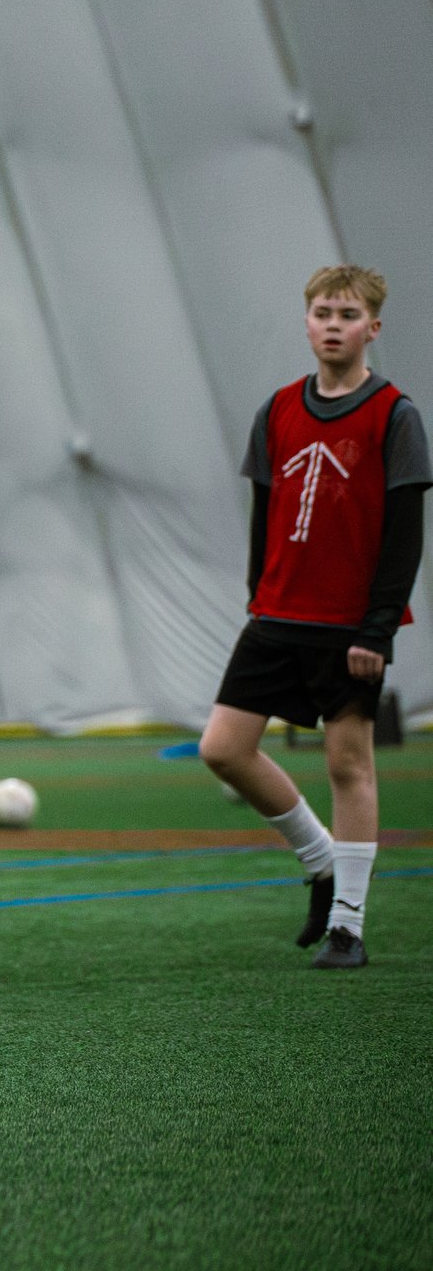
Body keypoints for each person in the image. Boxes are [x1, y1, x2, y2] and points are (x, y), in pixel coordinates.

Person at [200, 265, 422, 969]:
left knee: (348, 764)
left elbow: (404, 536)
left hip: (349, 627)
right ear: (306, 322)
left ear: (372, 328)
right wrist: (256, 593)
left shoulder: (395, 415)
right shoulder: (276, 411)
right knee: (223, 748)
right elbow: (264, 514)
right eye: (323, 312)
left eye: (348, 315)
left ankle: (348, 927)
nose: (333, 325)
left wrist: (377, 629)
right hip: (276, 614)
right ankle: (320, 858)